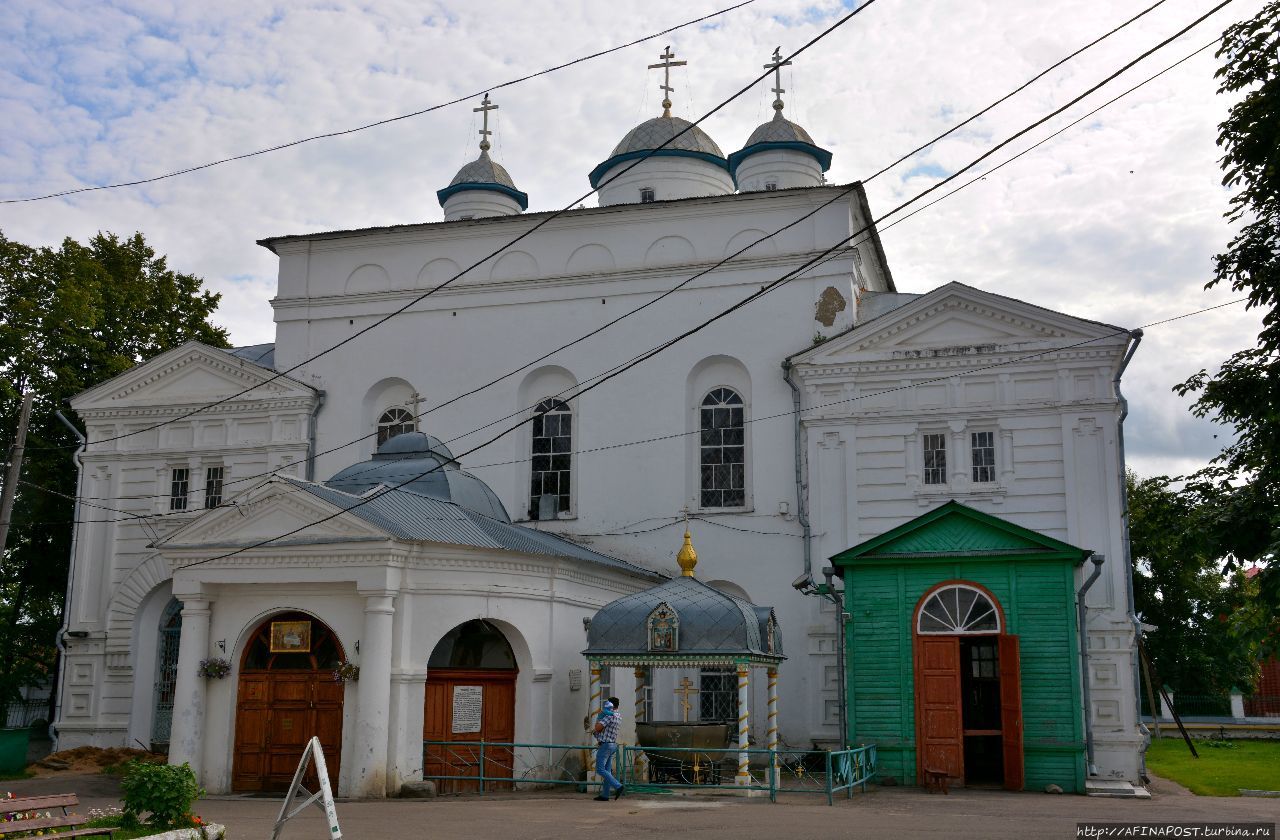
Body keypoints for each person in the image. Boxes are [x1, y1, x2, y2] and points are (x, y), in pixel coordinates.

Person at [591, 698, 625, 801]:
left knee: (600, 769)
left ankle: (618, 786)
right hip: (612, 745)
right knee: (607, 771)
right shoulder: (618, 716)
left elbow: (597, 728)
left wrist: (598, 718)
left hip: (605, 745)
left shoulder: (608, 715)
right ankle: (605, 794)